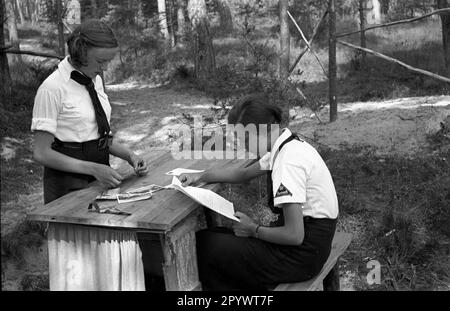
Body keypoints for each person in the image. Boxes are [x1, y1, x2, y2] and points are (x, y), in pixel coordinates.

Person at [31, 20, 149, 290]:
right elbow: (41, 153)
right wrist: (93, 169)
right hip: (67, 183)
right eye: (101, 60)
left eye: (108, 61)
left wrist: (128, 154)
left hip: (99, 176)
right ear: (82, 51)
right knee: (78, 260)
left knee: (107, 250)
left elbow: (97, 135)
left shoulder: (93, 80)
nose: (105, 67)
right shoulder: (52, 89)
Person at [178, 94, 339, 290]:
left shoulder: (287, 162)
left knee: (206, 247)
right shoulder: (285, 144)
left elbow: (294, 235)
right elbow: (243, 174)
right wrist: (201, 176)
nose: (243, 145)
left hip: (302, 255)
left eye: (246, 138)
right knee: (210, 235)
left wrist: (253, 230)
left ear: (266, 129)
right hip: (310, 244)